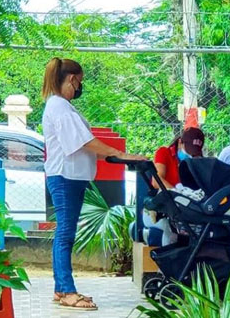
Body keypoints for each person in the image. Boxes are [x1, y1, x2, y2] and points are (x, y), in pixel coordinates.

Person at [41, 57, 147, 312]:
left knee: (65, 233)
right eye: (79, 82)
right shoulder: (60, 107)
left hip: (71, 177)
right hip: (65, 177)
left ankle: (61, 288)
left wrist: (116, 156)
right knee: (65, 234)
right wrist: (120, 153)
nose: (80, 88)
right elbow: (84, 142)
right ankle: (67, 290)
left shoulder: (61, 106)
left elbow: (83, 145)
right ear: (71, 79)